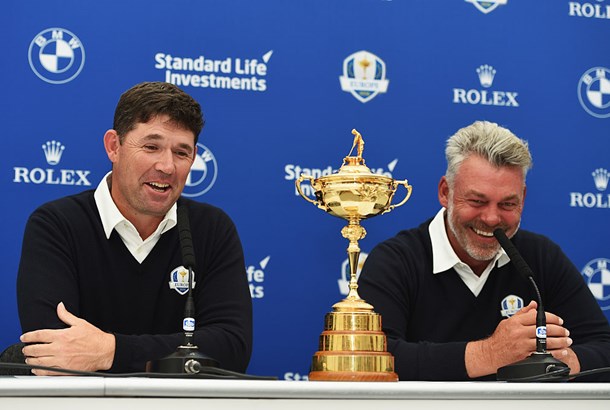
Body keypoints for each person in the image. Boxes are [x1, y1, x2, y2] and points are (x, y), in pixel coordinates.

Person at [17, 82, 252, 375]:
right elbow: (53, 350)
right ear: (114, 146)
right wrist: (170, 355)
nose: (167, 166)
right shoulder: (56, 224)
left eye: (182, 153)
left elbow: (231, 348)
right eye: (151, 147)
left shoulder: (212, 229)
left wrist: (111, 351)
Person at [358, 120, 610, 381]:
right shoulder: (395, 261)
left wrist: (560, 360)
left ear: (522, 198)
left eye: (507, 204)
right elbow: (369, 361)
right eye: (477, 201)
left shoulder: (542, 257)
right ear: (446, 192)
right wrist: (491, 354)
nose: (492, 219)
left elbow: (604, 345)